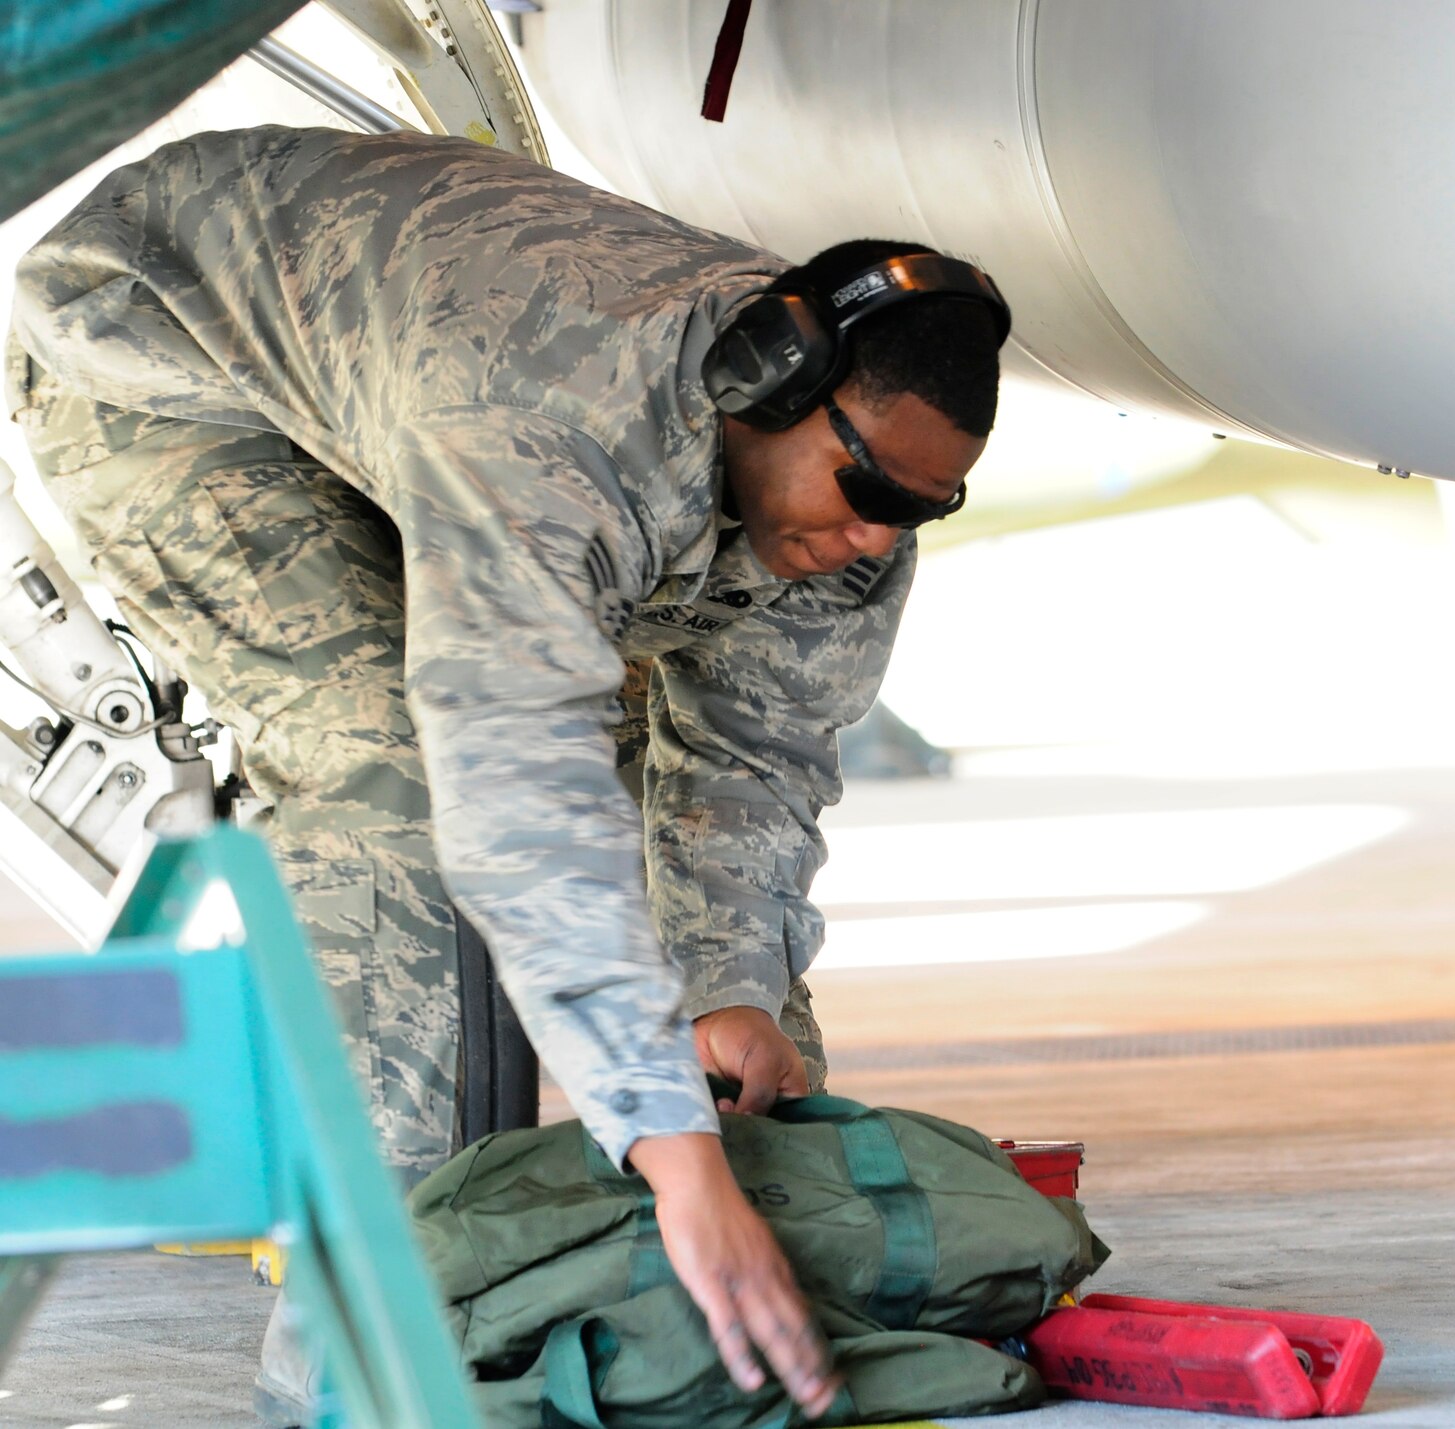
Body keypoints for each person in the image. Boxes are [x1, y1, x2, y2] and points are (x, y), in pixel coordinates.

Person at [7, 125, 1003, 1420]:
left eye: (922, 508)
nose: (879, 532)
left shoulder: (853, 510)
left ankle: (666, 1334)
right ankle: (361, 1366)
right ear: (768, 383)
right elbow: (515, 794)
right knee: (403, 798)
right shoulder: (554, 421)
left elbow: (751, 760)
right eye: (864, 485)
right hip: (172, 368)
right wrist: (673, 1152)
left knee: (724, 1023)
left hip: (410, 406)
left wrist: (733, 989)